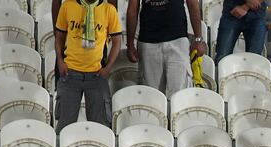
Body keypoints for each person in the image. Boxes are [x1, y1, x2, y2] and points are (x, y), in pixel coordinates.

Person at [54, 0, 122, 133]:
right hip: (70, 73)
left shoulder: (109, 10)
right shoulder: (68, 6)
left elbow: (117, 41)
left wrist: (108, 68)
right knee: (64, 126)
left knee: (100, 127)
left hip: (96, 74)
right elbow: (59, 37)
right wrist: (60, 61)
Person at [126, 0, 206, 98]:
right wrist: (130, 44)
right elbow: (132, 10)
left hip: (178, 40)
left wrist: (198, 39)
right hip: (148, 41)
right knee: (152, 99)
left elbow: (193, 4)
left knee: (180, 96)